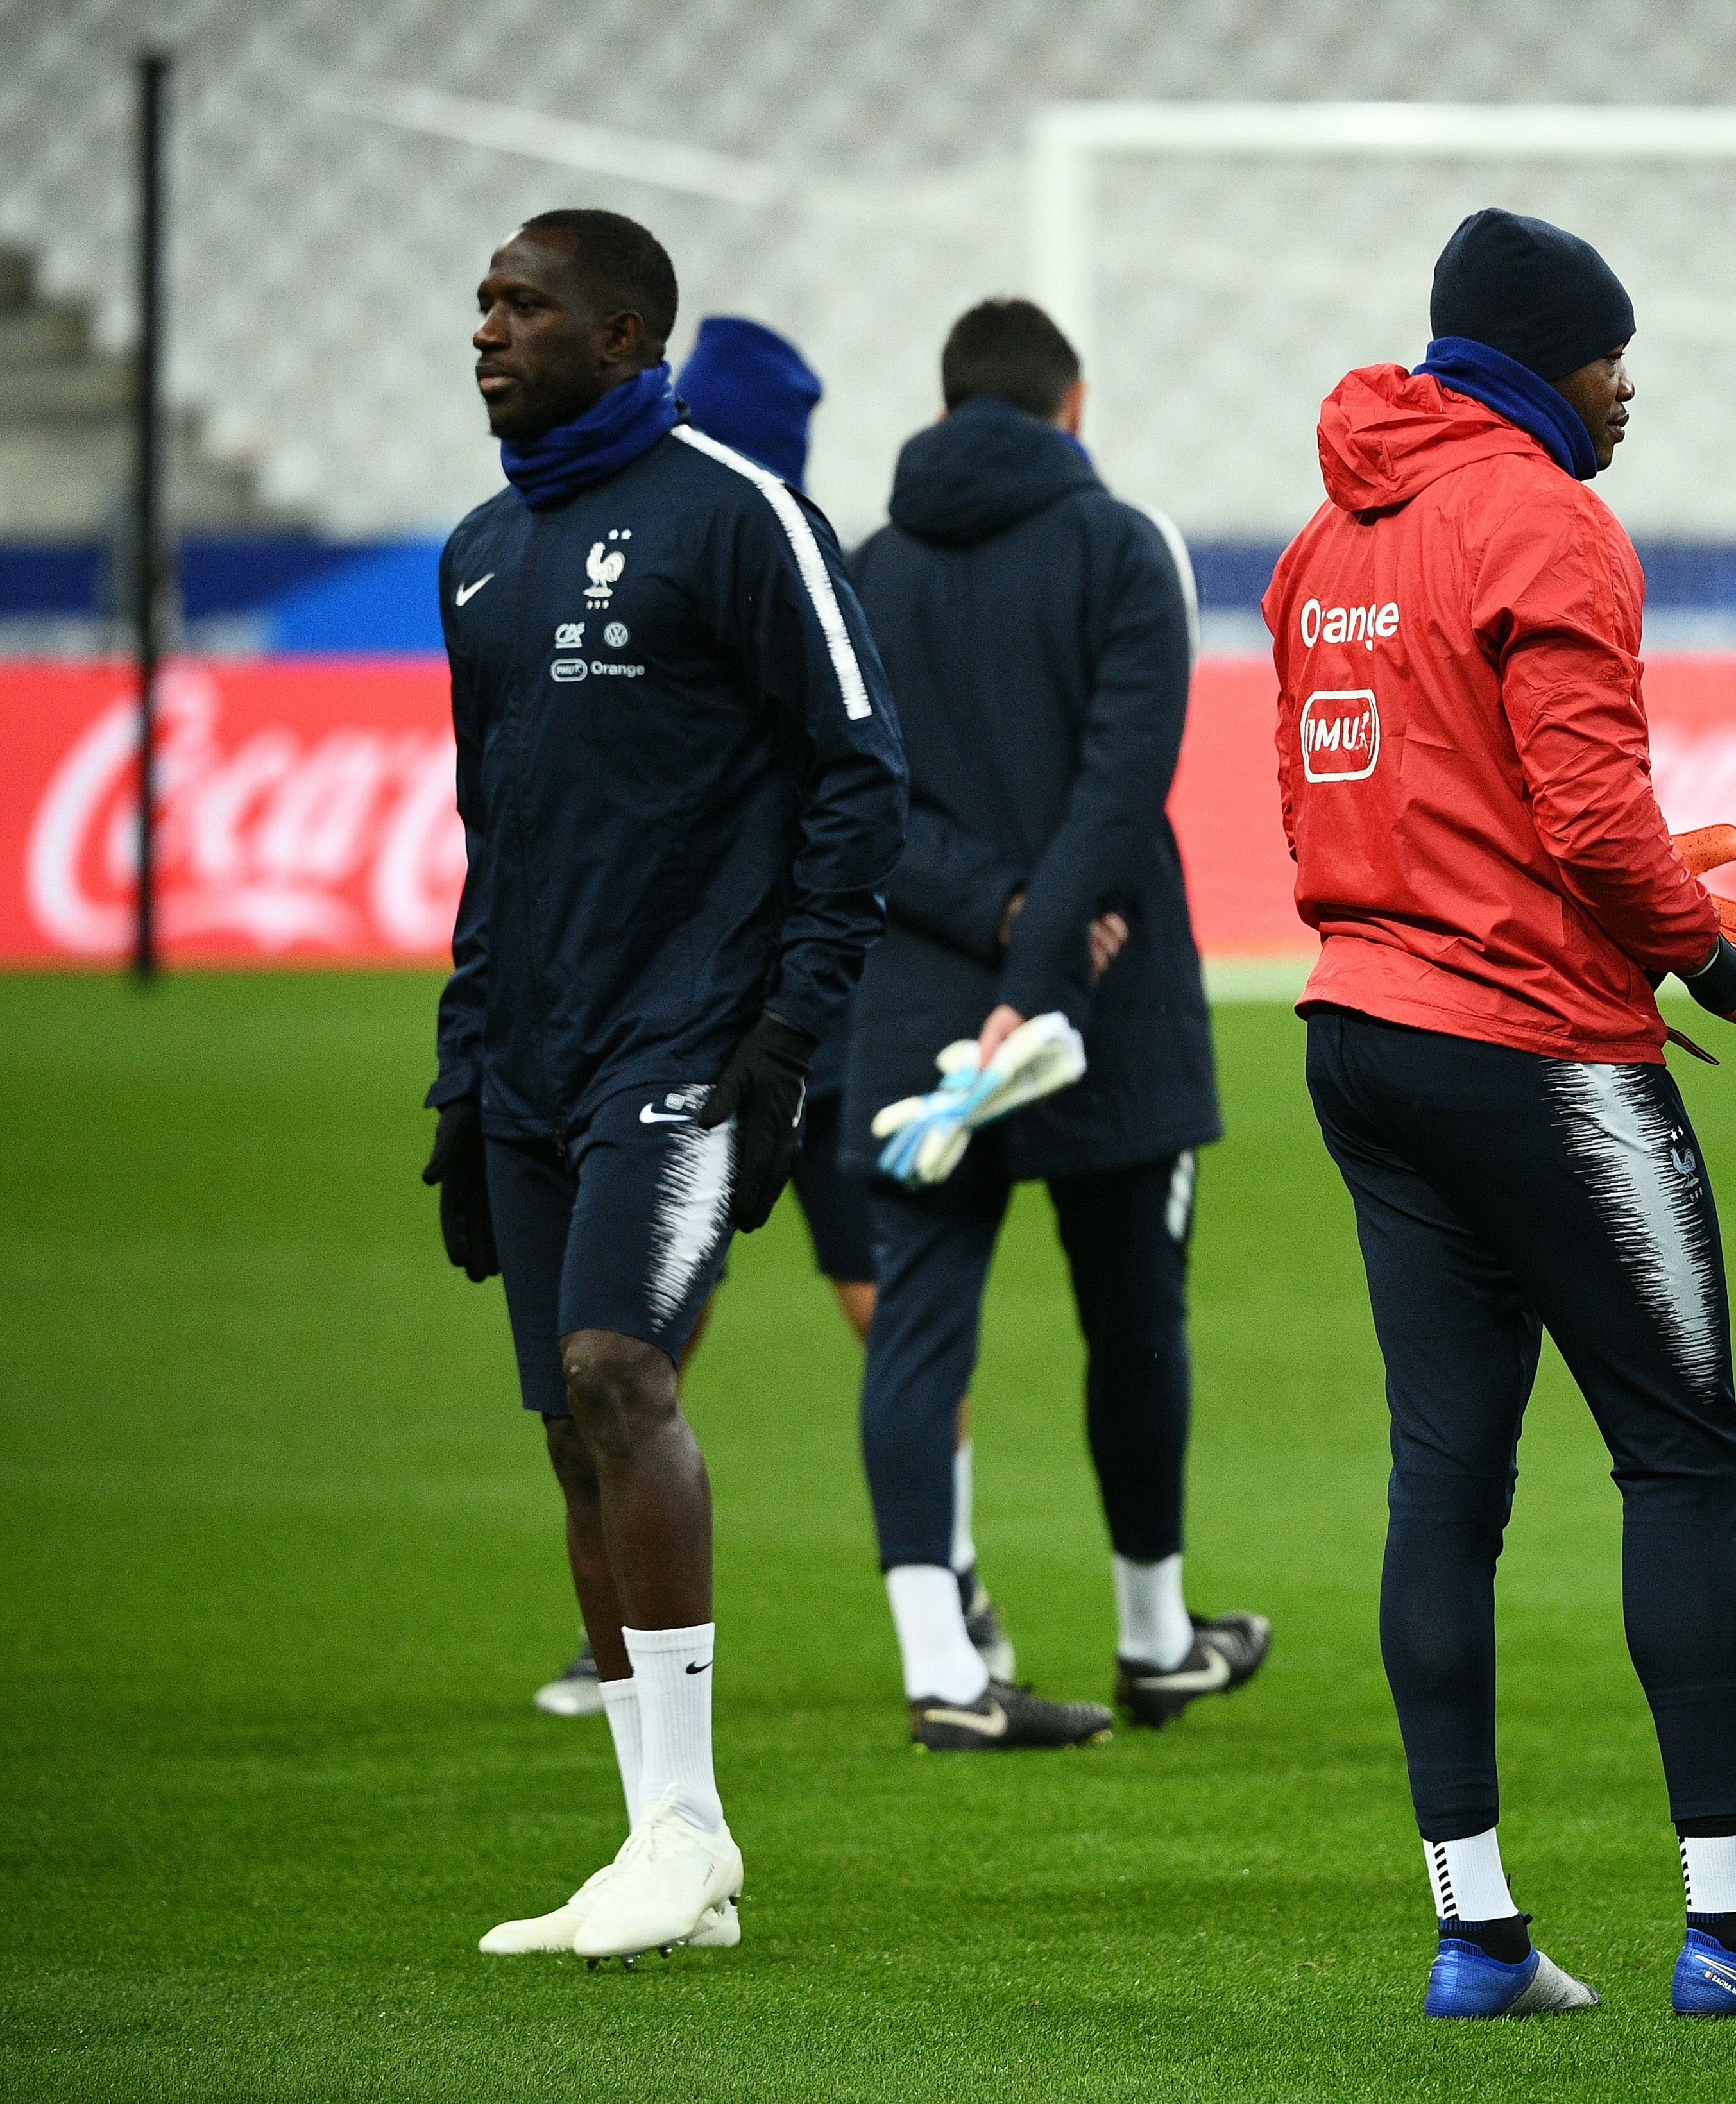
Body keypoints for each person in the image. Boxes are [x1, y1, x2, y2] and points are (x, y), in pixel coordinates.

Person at [1270, 207, 1736, 2022]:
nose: (1631, 387)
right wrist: (1714, 963)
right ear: (1547, 361)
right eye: (1611, 354)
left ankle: (1478, 1936)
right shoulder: (1549, 514)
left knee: (1444, 1484)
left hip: (1365, 1032)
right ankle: (1734, 1930)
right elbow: (1590, 820)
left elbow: (1340, 798)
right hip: (1534, 1049)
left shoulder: (1327, 538)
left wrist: (1527, 891)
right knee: (1683, 1458)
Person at [430, 211, 906, 1959]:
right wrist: (460, 1072)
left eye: (525, 305)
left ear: (628, 335)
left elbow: (864, 775)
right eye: (482, 303)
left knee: (621, 1370)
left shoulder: (737, 512)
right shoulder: (479, 552)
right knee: (572, 1434)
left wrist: (793, 1034)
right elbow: (495, 842)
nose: (489, 329)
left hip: (692, 1045)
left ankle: (692, 1826)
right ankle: (656, 1857)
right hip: (532, 1057)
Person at [524, 314, 1025, 1719]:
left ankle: (647, 1617)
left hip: (771, 997)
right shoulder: (789, 547)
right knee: (816, 1302)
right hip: (786, 999)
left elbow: (856, 783)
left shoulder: (732, 547)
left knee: (663, 1317)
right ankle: (957, 1574)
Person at [844, 298, 1259, 1752]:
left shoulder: (862, 568)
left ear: (949, 403)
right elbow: (1124, 776)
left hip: (916, 998)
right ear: (1069, 405)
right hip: (1110, 993)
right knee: (1134, 1320)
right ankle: (1156, 1639)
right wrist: (1045, 939)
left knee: (917, 1330)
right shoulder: (1123, 545)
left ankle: (941, 1671)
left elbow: (860, 800)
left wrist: (991, 914)